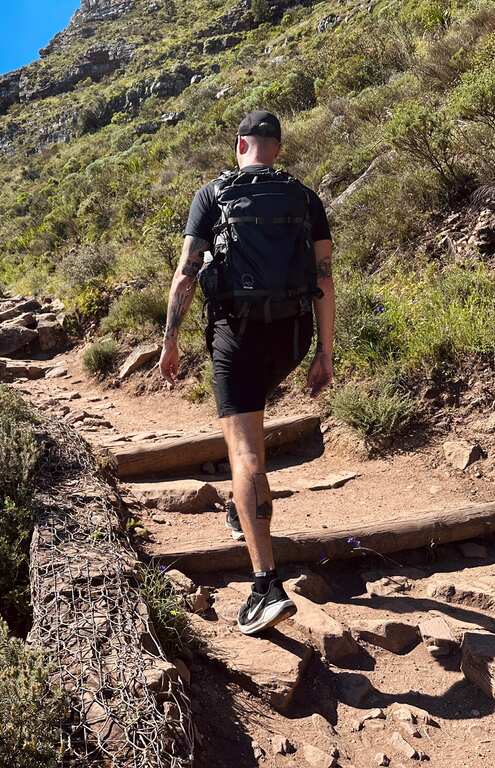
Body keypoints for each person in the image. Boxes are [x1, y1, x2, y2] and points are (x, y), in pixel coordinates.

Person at [159, 110, 335, 636]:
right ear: (277, 148)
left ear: (240, 145)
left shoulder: (212, 194)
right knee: (254, 420)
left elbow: (187, 271)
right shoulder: (305, 197)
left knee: (244, 453)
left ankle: (266, 585)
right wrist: (326, 351)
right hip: (293, 336)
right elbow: (324, 277)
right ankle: (244, 511)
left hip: (236, 333)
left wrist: (169, 338)